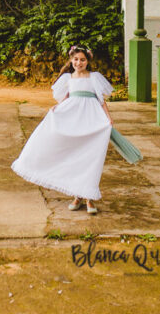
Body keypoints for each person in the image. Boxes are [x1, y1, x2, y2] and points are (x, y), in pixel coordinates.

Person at [11, 45, 114, 214]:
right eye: (76, 59)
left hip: (91, 119)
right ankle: (77, 196)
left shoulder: (94, 78)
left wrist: (108, 118)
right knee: (74, 155)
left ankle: (89, 198)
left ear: (88, 61)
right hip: (73, 119)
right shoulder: (68, 78)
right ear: (71, 60)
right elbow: (65, 99)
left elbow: (101, 100)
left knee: (89, 157)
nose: (79, 63)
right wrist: (56, 109)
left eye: (82, 60)